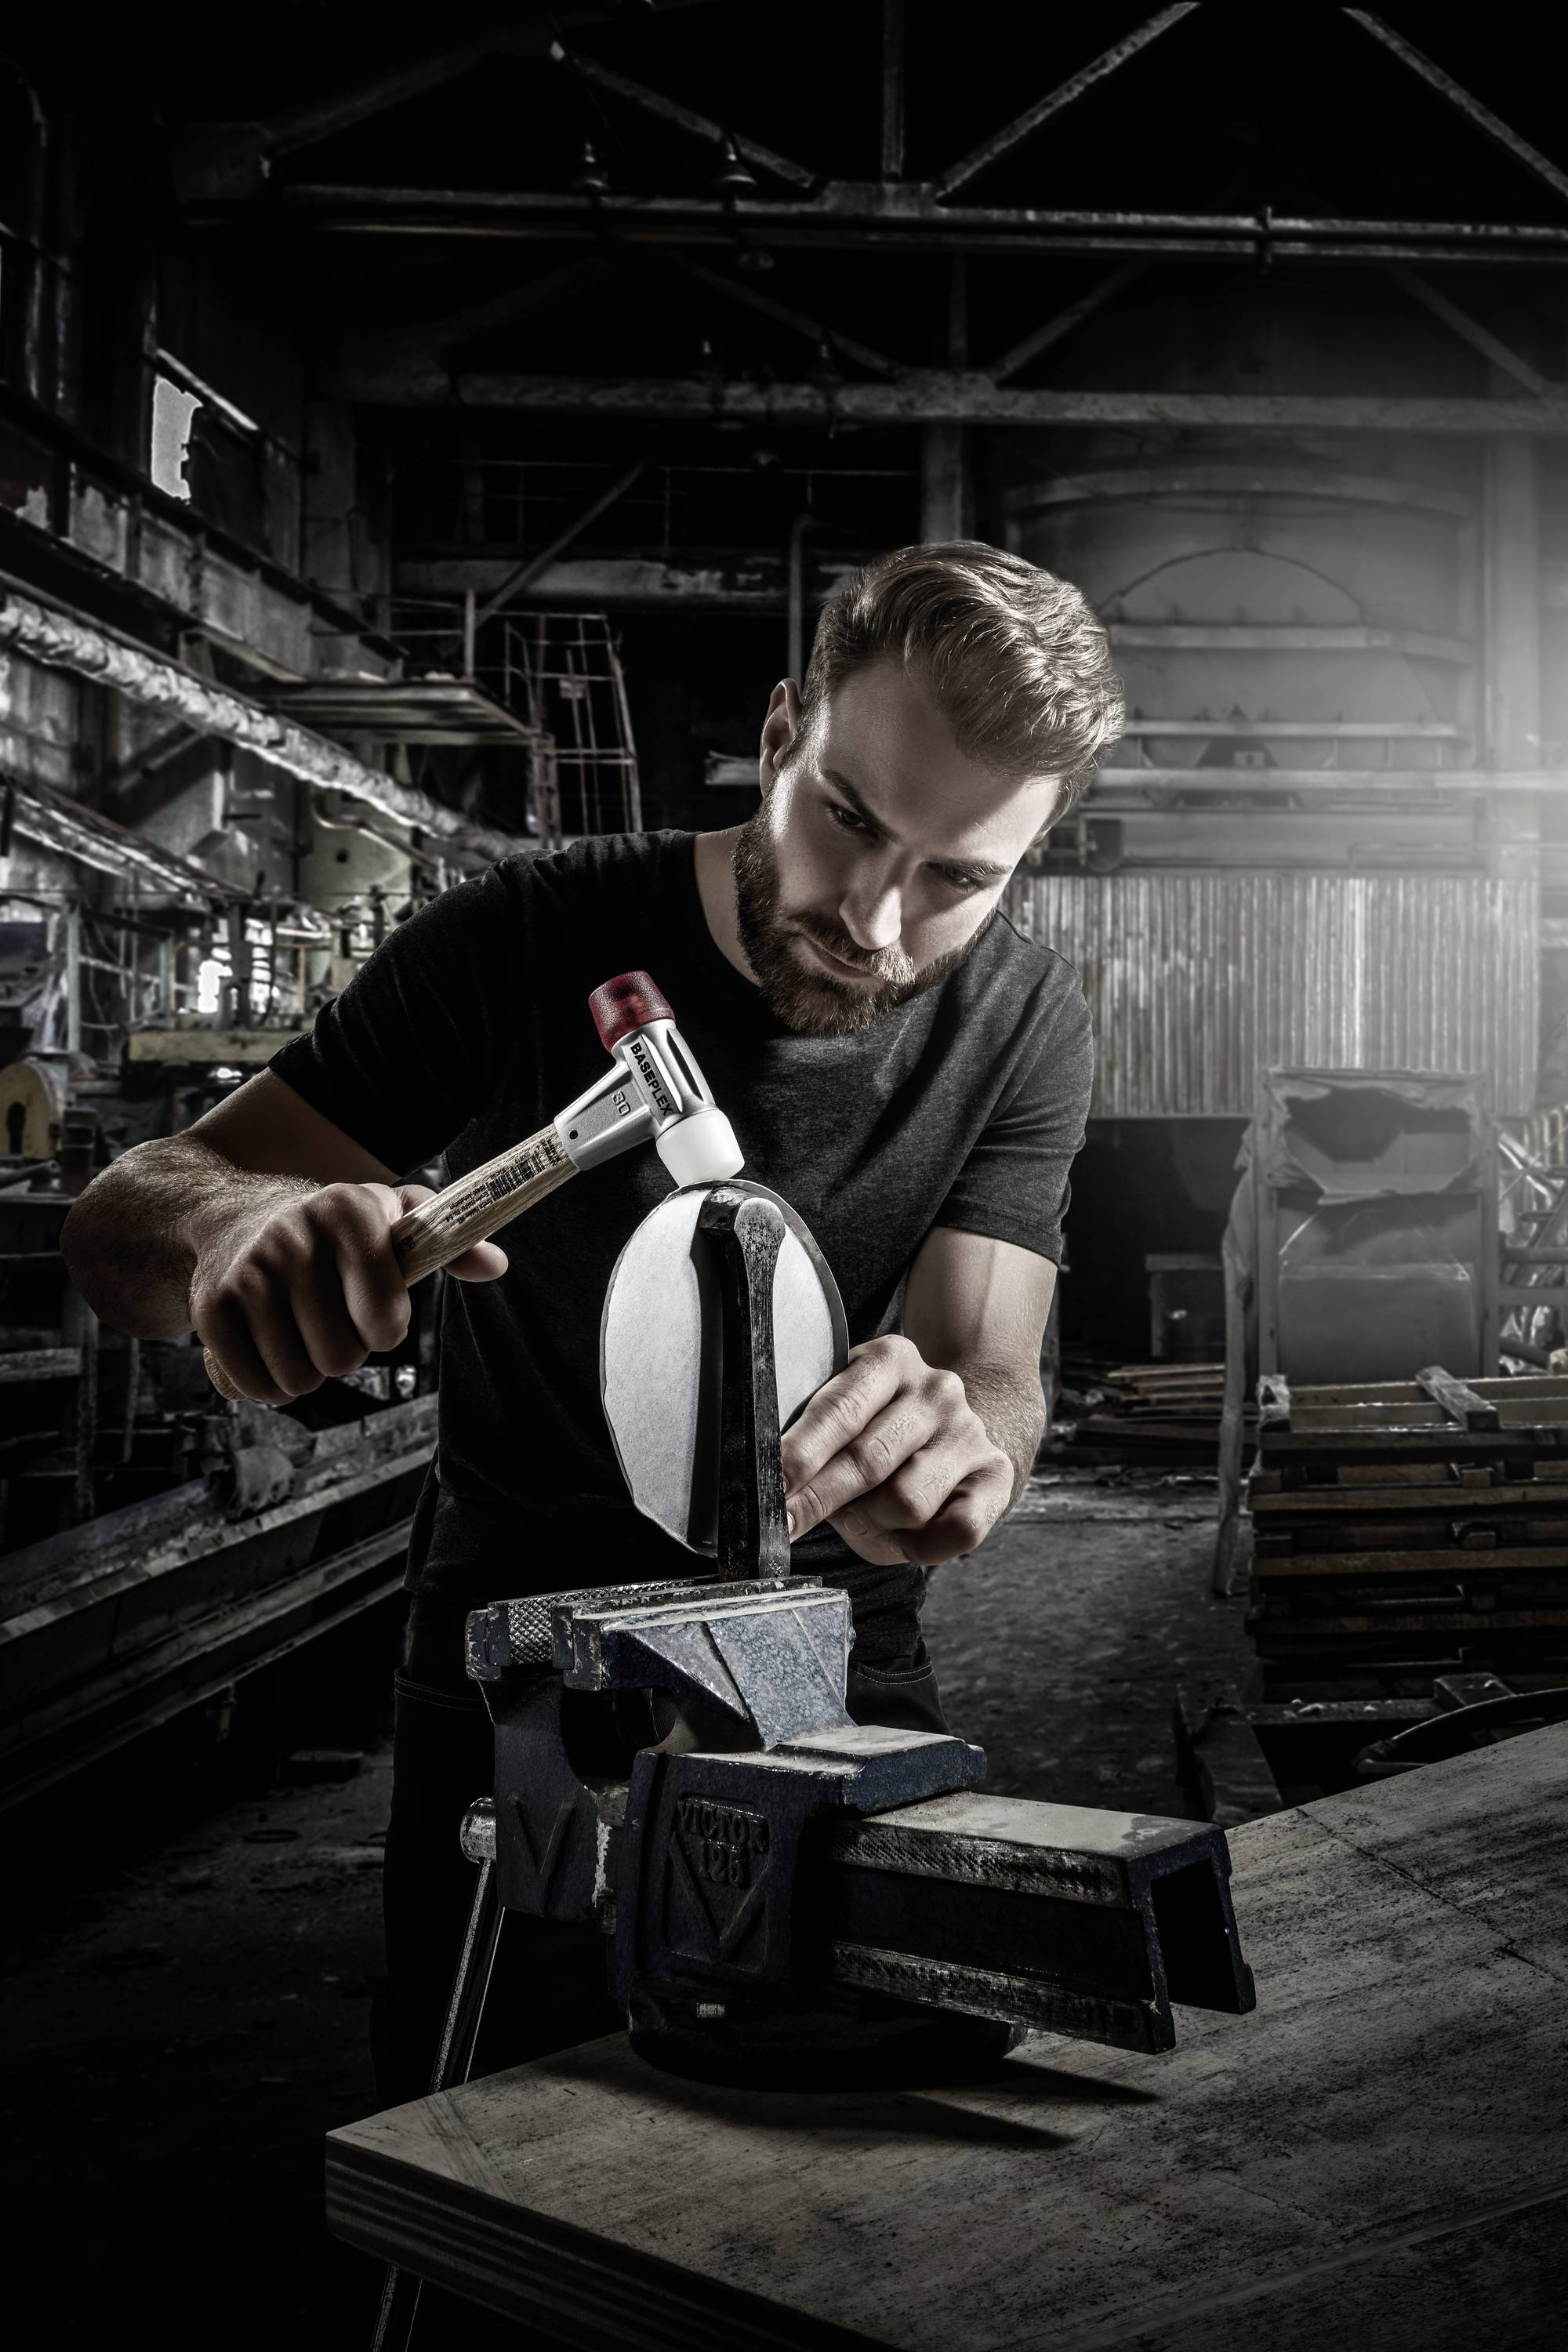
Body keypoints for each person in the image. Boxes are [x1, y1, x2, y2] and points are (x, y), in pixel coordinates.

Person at [61, 541, 1123, 2094]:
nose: (877, 924)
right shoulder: (526, 941)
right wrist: (238, 1225)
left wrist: (973, 1454)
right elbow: (121, 1226)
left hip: (831, 1646)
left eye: (957, 879)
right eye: (846, 820)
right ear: (778, 738)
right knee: (491, 2110)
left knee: (867, 2115)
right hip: (520, 1655)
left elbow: (992, 1367)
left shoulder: (1023, 1020)